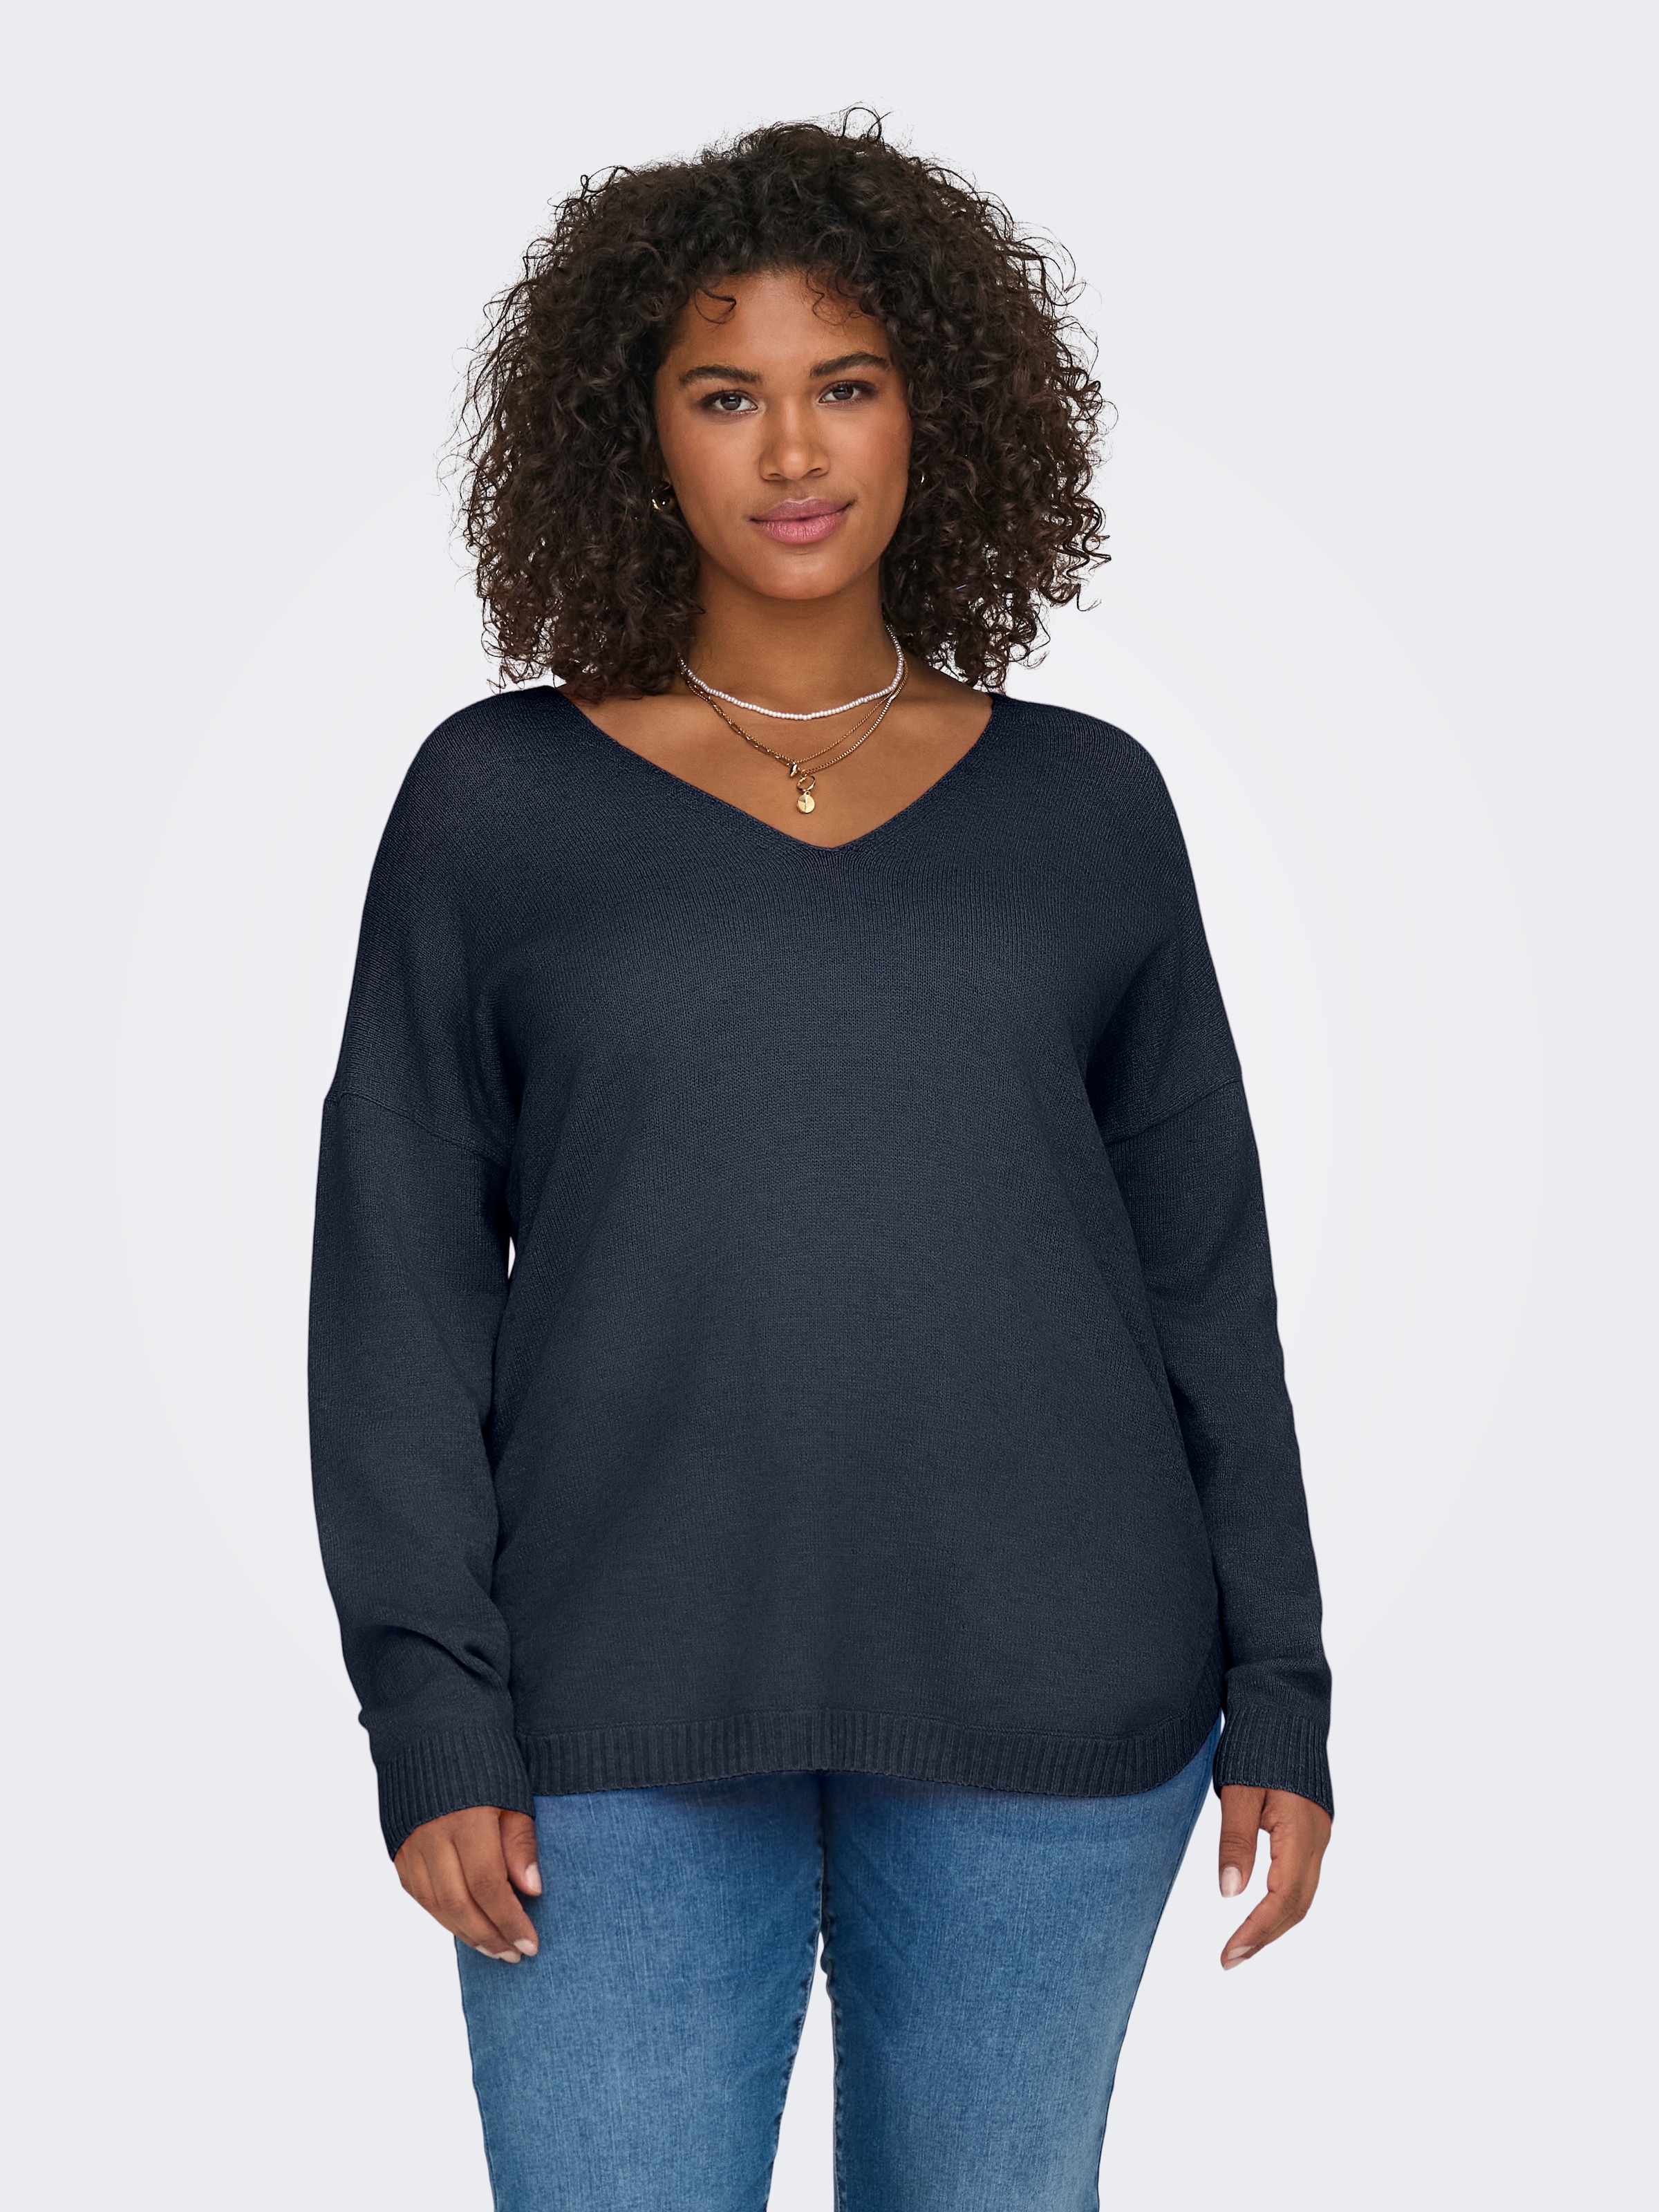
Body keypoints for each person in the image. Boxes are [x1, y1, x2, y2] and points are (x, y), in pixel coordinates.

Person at [308, 113, 1333, 2212]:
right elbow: (396, 1282)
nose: (793, 449)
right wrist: (432, 1711)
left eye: (845, 382)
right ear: (638, 432)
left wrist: (1284, 1689)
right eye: (726, 393)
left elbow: (1205, 1272)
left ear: (933, 411)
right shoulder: (494, 805)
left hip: (1058, 1697)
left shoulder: (1089, 810)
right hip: (605, 1711)